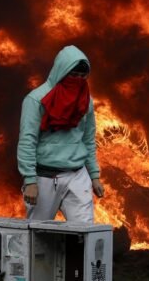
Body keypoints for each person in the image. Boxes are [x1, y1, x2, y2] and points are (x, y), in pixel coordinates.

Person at [17, 45, 105, 222]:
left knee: (84, 234)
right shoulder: (36, 100)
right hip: (45, 176)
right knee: (38, 234)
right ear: (61, 71)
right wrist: (30, 180)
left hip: (77, 175)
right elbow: (27, 141)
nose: (78, 80)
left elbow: (88, 140)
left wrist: (94, 176)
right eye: (73, 75)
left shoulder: (85, 101)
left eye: (82, 76)